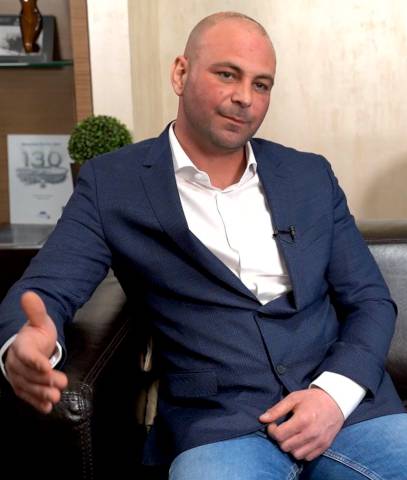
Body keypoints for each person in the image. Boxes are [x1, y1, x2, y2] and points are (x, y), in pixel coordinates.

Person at [0, 11, 406, 480]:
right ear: (181, 73)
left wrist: (333, 395)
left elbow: (371, 300)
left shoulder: (310, 174)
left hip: (348, 413)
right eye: (227, 74)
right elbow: (46, 287)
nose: (245, 97)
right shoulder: (112, 184)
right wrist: (26, 343)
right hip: (219, 428)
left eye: (261, 84)